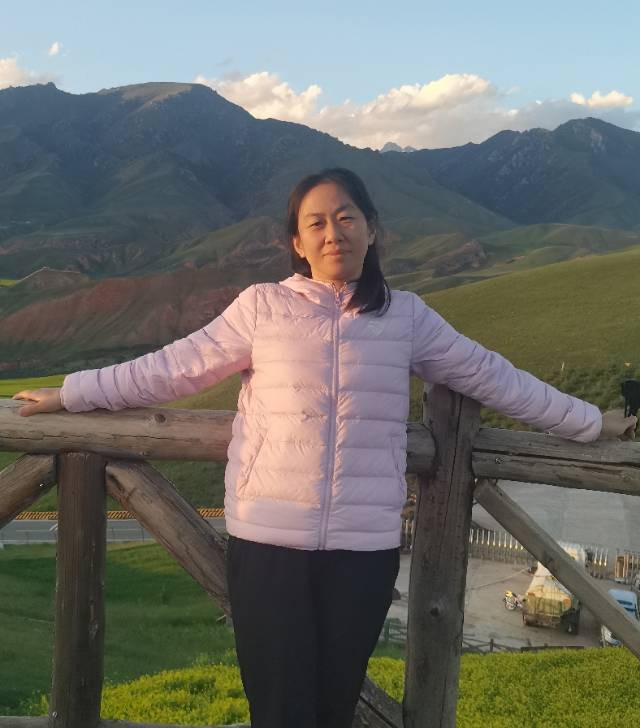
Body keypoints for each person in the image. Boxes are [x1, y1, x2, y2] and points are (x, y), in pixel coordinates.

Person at [13, 167, 635, 728]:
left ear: (372, 230)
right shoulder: (262, 307)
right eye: (316, 223)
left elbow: (492, 376)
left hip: (362, 553)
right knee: (279, 710)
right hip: (268, 544)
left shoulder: (406, 317)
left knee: (335, 708)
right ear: (297, 241)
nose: (333, 232)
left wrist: (588, 423)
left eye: (346, 217)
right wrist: (73, 392)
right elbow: (173, 368)